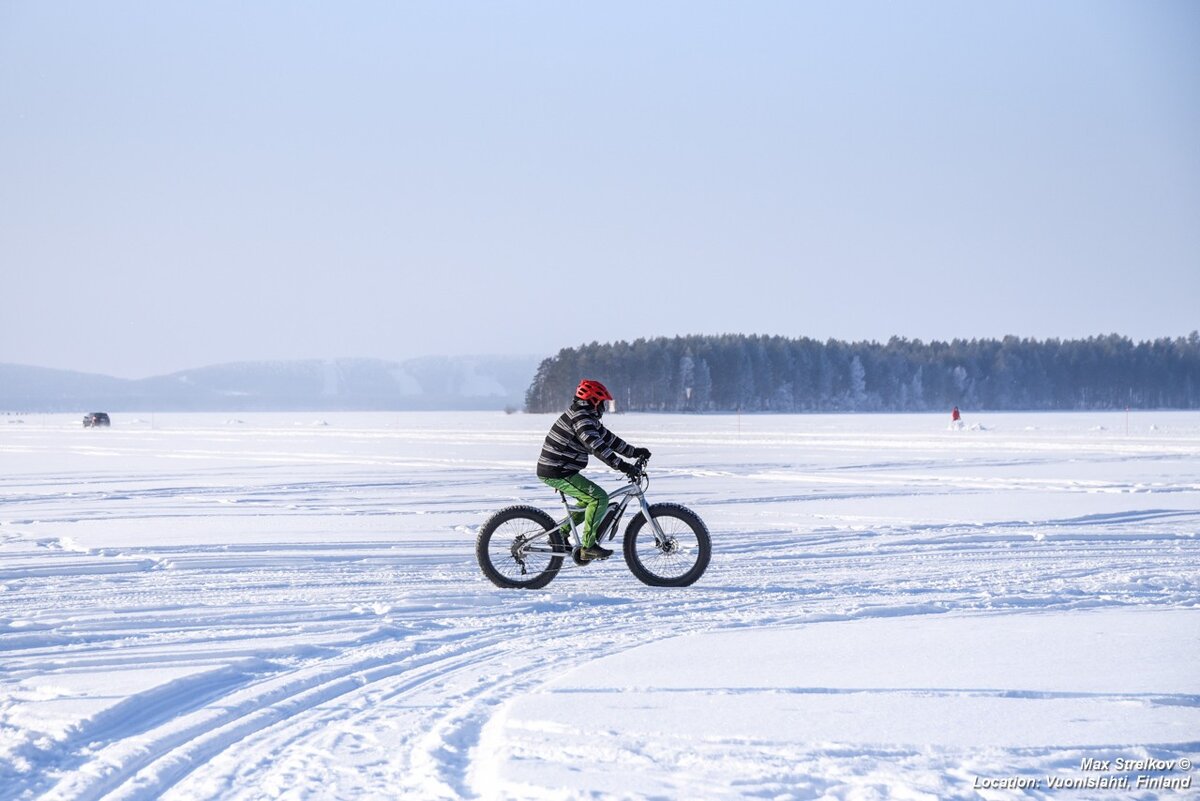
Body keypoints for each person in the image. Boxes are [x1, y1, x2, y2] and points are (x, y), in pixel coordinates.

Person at [537, 379, 651, 560]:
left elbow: (609, 440)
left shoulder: (586, 417)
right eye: (602, 403)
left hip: (562, 469)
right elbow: (597, 447)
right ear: (593, 401)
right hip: (557, 470)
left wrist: (634, 452)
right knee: (599, 498)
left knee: (587, 501)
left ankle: (560, 534)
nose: (603, 407)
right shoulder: (581, 419)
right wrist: (622, 466)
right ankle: (588, 547)